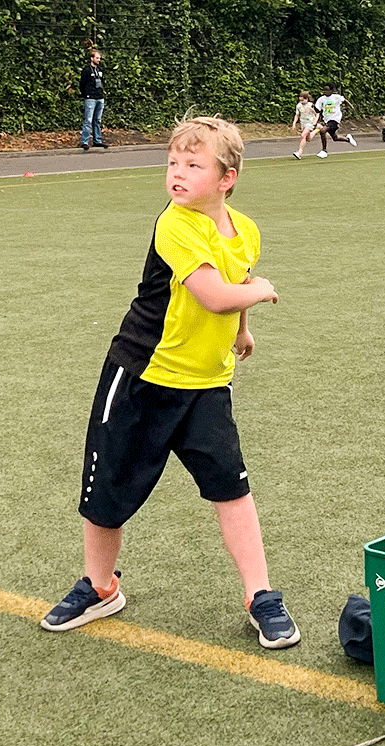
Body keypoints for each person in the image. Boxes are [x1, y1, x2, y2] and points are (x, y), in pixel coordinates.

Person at [40, 115, 300, 650]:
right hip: (142, 377)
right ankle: (100, 586)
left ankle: (261, 595)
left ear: (227, 177)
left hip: (206, 385)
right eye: (173, 163)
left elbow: (237, 282)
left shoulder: (245, 229)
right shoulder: (176, 223)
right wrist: (261, 294)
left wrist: (243, 332)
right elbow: (217, 294)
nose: (177, 174)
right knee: (107, 489)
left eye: (193, 165)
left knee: (233, 489)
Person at [314, 83, 358, 158]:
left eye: (327, 90)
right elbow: (317, 110)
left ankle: (324, 151)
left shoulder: (336, 97)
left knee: (323, 131)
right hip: (327, 120)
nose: (325, 91)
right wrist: (313, 107)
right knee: (335, 138)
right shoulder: (321, 99)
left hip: (335, 119)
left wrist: (351, 107)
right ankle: (348, 139)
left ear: (331, 90)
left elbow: (345, 100)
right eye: (324, 90)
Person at [79, 48, 109, 151]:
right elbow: (82, 84)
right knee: (88, 120)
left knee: (97, 120)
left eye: (99, 58)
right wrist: (86, 94)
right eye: (97, 58)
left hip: (99, 98)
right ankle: (85, 142)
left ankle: (97, 141)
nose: (99, 60)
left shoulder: (100, 70)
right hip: (90, 98)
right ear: (92, 58)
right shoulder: (87, 70)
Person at [291, 90, 321, 160]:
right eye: (300, 100)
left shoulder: (311, 105)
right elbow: (297, 115)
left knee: (303, 135)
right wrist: (294, 123)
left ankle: (299, 152)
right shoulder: (298, 106)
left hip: (310, 122)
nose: (301, 102)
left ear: (306, 99)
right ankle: (318, 129)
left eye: (302, 100)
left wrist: (315, 121)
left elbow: (318, 113)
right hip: (303, 123)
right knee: (308, 138)